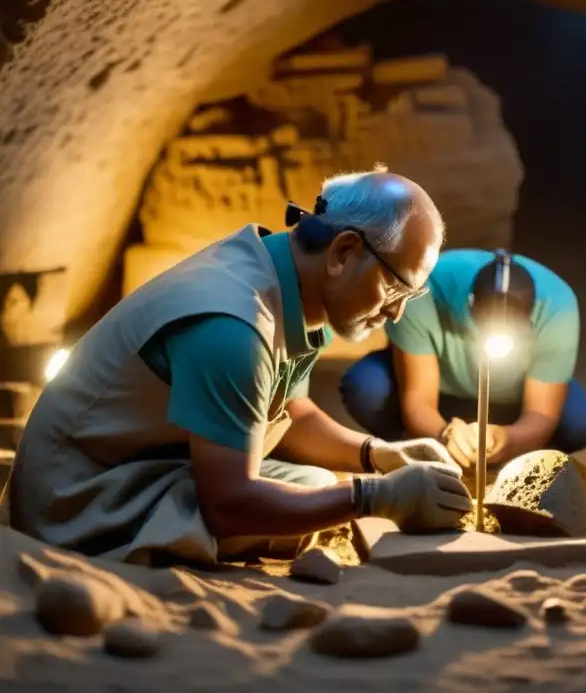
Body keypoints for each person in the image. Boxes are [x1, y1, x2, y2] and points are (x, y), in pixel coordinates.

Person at [6, 167, 473, 566]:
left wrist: (378, 454)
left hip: (145, 464)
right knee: (313, 507)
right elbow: (228, 505)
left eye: (411, 297)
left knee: (314, 486)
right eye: (396, 289)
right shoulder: (235, 327)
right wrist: (376, 497)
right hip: (72, 500)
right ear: (344, 252)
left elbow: (289, 412)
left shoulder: (294, 282)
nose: (396, 314)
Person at [340, 249, 586, 471]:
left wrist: (509, 439)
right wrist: (444, 435)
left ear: (531, 314)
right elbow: (417, 400)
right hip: (439, 392)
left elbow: (541, 414)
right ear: (470, 305)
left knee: (577, 422)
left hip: (512, 403)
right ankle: (416, 455)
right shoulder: (424, 287)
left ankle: (517, 467)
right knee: (366, 388)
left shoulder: (558, 306)